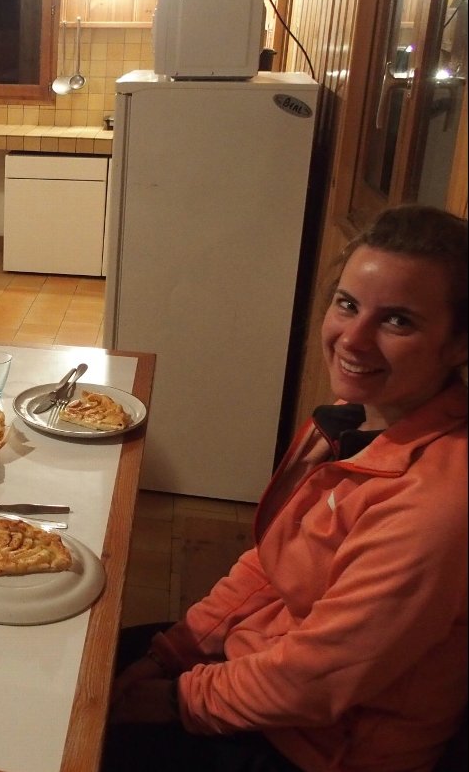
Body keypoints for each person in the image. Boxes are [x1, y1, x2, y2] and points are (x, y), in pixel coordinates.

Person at [104, 205, 468, 771]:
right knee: (86, 662)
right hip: (261, 668)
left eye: (399, 321)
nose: (355, 339)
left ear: (460, 345)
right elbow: (271, 564)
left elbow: (315, 682)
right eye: (347, 305)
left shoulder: (437, 506)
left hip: (313, 747)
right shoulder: (358, 417)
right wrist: (169, 654)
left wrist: (173, 699)